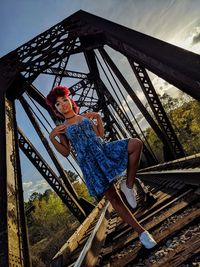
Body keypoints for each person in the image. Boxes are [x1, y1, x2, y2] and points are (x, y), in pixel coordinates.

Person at [46, 85, 157, 249]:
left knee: (135, 144)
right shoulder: (62, 129)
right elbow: (65, 152)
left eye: (64, 99)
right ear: (56, 110)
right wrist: (52, 137)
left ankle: (128, 185)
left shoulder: (85, 117)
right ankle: (142, 233)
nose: (62, 104)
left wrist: (98, 117)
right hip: (89, 164)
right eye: (57, 104)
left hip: (103, 151)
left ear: (70, 100)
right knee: (114, 198)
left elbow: (100, 136)